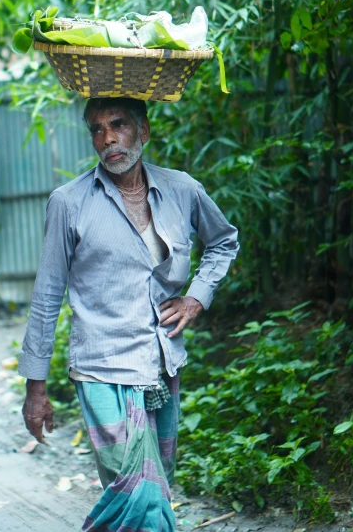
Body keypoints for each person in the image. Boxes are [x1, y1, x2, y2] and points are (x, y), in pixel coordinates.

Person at [18, 97, 239, 532]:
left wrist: (196, 296)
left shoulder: (182, 190)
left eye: (118, 124)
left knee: (158, 486)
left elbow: (223, 241)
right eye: (96, 129)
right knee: (136, 487)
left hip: (161, 361)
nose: (108, 138)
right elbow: (47, 295)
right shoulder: (69, 201)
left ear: (144, 131)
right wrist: (35, 388)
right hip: (101, 365)